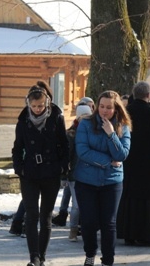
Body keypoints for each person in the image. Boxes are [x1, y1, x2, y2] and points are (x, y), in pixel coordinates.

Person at [12, 81, 69, 266]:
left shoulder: (56, 118)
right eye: (34, 106)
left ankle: (42, 257)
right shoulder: (23, 120)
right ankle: (33, 257)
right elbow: (17, 147)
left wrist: (62, 166)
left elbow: (64, 144)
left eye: (41, 106)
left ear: (47, 103)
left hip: (51, 171)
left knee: (46, 216)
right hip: (29, 172)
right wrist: (18, 168)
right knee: (31, 215)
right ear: (28, 104)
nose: (37, 109)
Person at [73, 91, 131, 266]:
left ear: (116, 108)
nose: (104, 111)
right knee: (89, 222)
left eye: (109, 107)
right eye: (102, 106)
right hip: (86, 181)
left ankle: (108, 260)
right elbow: (82, 151)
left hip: (111, 182)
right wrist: (107, 161)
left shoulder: (123, 126)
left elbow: (122, 154)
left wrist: (111, 134)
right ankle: (90, 253)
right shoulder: (85, 124)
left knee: (108, 223)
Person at [117, 82, 150, 246]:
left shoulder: (127, 112)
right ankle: (146, 235)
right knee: (147, 198)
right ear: (148, 96)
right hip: (148, 162)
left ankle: (129, 234)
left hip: (129, 160)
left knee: (130, 196)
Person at [64, 103, 92, 242]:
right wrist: (64, 175)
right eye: (83, 116)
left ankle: (86, 229)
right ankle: (73, 230)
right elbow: (66, 155)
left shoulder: (93, 130)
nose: (85, 119)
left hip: (90, 173)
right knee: (76, 205)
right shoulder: (71, 133)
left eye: (88, 116)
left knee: (88, 204)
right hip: (75, 174)